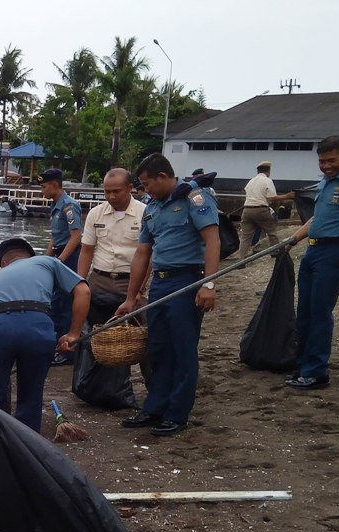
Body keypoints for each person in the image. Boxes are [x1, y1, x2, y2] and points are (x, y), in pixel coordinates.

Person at [114, 153, 221, 437]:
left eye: (148, 184)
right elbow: (142, 253)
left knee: (182, 349)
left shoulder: (194, 198)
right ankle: (155, 407)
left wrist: (209, 285)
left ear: (163, 176)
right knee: (158, 349)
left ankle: (177, 413)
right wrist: (131, 297)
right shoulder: (152, 208)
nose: (145, 190)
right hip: (160, 284)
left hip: (186, 281)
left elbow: (212, 239)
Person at [280, 136, 339, 391]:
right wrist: (293, 239)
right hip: (313, 252)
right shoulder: (327, 182)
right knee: (306, 312)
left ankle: (316, 371)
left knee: (320, 312)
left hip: (335, 252)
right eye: (322, 161)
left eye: (331, 160)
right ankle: (302, 364)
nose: (326, 166)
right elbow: (316, 220)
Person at [0, 238, 90, 433]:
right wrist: (73, 334)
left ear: (3, 262)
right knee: (31, 394)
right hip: (38, 325)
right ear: (29, 256)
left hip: (0, 327)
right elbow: (83, 291)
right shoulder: (48, 261)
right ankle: (26, 444)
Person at [77, 168, 151, 381]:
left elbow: (148, 255)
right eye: (106, 192)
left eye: (116, 191)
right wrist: (79, 283)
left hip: (131, 280)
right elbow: (87, 250)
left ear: (130, 188)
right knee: (97, 336)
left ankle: (153, 388)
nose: (110, 196)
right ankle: (96, 386)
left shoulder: (145, 213)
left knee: (144, 336)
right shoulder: (96, 213)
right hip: (99, 280)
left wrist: (138, 289)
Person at [40, 168, 84, 365]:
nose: (42, 191)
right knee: (55, 303)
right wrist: (46, 260)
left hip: (70, 257)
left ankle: (68, 352)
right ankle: (57, 346)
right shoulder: (55, 205)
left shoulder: (69, 205)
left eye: (43, 187)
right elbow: (54, 237)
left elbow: (76, 236)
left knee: (66, 304)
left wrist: (60, 261)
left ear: (54, 185)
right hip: (60, 255)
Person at [236, 161, 295, 259]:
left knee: (245, 237)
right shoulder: (267, 180)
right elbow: (272, 197)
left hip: (247, 210)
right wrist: (287, 196)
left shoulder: (251, 181)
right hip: (261, 209)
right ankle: (275, 253)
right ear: (268, 171)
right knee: (272, 232)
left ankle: (241, 259)